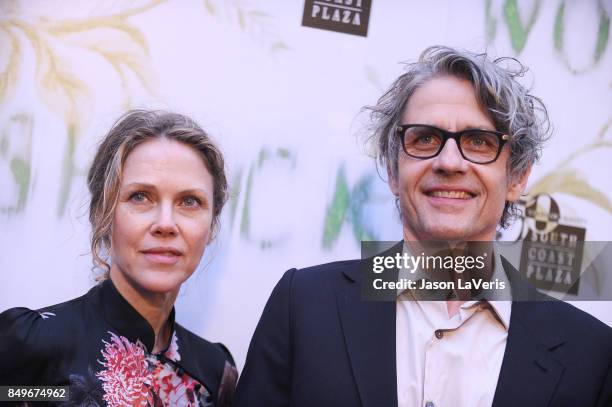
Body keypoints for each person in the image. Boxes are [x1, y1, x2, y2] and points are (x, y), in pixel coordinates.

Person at [234, 47, 612, 406]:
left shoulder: (591, 353)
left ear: (516, 178)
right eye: (425, 138)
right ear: (394, 170)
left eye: (478, 142)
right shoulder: (303, 305)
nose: (449, 162)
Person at [0, 110, 237, 406]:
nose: (166, 223)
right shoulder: (33, 344)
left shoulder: (214, 373)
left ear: (211, 224)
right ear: (103, 213)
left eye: (190, 201)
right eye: (140, 196)